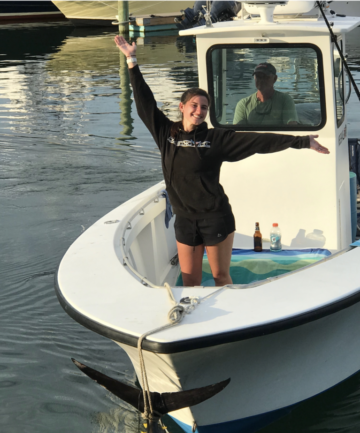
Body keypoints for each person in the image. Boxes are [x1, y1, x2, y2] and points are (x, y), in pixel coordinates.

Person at [114, 36, 329, 287]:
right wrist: (131, 61)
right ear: (182, 107)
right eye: (194, 105)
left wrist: (302, 141)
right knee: (190, 280)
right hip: (184, 219)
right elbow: (144, 104)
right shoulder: (166, 133)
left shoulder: (215, 139)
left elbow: (257, 141)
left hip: (215, 217)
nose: (199, 111)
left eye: (204, 107)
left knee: (220, 277)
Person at [233, 62, 299, 126]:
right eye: (258, 77)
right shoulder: (243, 104)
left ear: (275, 78)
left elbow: (291, 128)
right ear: (255, 78)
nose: (261, 80)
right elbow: (238, 133)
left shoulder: (285, 100)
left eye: (265, 77)